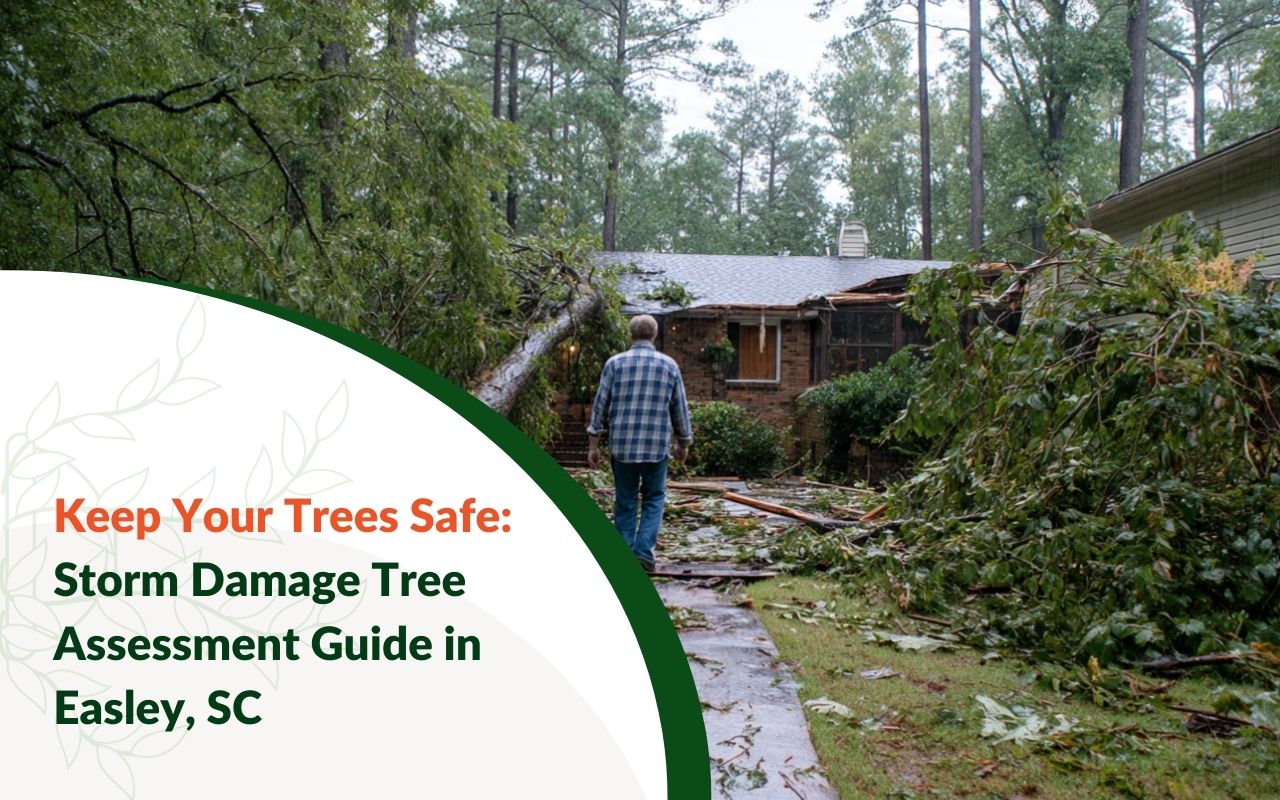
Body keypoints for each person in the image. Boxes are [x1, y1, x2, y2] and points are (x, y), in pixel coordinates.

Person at [586, 314, 693, 572]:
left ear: (630, 335)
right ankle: (643, 553)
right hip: (656, 446)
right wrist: (683, 442)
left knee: (625, 500)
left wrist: (593, 444)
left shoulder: (615, 364)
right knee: (654, 498)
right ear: (654, 335)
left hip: (622, 446)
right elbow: (679, 408)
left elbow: (600, 405)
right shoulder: (669, 365)